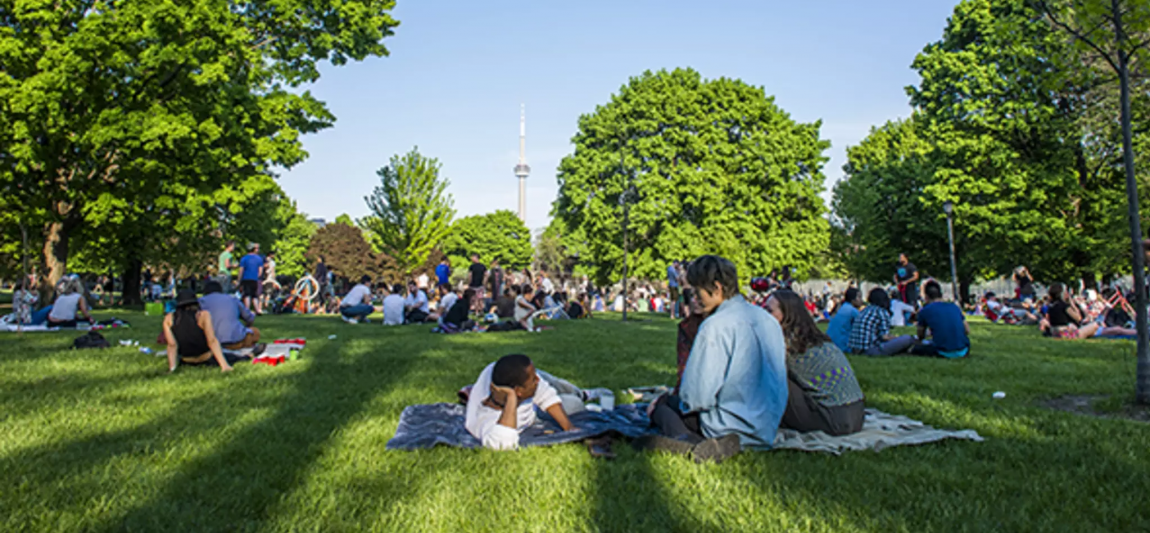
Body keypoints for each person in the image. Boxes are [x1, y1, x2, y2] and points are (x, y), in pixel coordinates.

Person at [641, 255, 787, 463]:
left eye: (697, 290)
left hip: (725, 426)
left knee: (662, 407)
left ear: (716, 288)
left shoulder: (715, 326)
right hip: (766, 427)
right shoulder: (768, 320)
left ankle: (689, 442)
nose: (695, 297)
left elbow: (696, 398)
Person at [765, 290, 865, 435]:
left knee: (766, 374)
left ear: (787, 315)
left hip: (831, 419)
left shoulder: (785, 344)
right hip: (857, 415)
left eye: (769, 311)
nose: (764, 316)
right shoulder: (818, 341)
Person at [464, 354, 577, 450]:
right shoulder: (485, 419)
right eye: (534, 379)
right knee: (575, 404)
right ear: (518, 391)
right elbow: (502, 445)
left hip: (527, 392)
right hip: (526, 403)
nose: (537, 380)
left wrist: (570, 428)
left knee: (557, 384)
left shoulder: (508, 373)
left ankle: (583, 393)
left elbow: (547, 394)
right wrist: (511, 398)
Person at [163, 289, 241, 373]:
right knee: (237, 357)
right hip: (206, 358)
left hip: (187, 361)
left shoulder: (169, 319)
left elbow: (172, 345)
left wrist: (172, 368)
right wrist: (224, 365)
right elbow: (212, 341)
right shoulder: (203, 315)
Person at [1043, 282, 1136, 339]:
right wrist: (1071, 303)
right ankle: (1141, 332)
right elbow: (1078, 318)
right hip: (1068, 335)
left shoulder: (1051, 307)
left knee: (1115, 329)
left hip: (1059, 333)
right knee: (1100, 326)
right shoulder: (1064, 306)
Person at [912, 281, 971, 357]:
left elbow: (920, 335)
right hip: (964, 349)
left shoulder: (925, 310)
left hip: (942, 350)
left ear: (926, 297)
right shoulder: (954, 307)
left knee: (916, 348)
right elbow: (967, 330)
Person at [848, 288, 915, 355]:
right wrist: (897, 338)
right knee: (907, 339)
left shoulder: (865, 310)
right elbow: (885, 337)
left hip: (856, 349)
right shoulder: (881, 312)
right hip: (870, 350)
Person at [198, 281, 260, 349]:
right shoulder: (232, 299)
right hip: (236, 340)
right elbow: (250, 318)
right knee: (255, 332)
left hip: (210, 341)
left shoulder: (200, 301)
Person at [673, 288, 705, 395]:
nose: (694, 300)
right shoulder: (686, 327)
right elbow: (683, 367)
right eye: (692, 296)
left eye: (699, 295)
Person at [826, 288, 862, 352]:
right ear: (852, 299)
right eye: (859, 297)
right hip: (842, 345)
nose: (861, 300)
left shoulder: (843, 307)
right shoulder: (853, 311)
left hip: (831, 343)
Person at [237, 243, 266, 314]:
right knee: (254, 295)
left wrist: (239, 280)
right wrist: (257, 277)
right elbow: (260, 270)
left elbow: (241, 270)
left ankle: (247, 309)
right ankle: (257, 309)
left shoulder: (244, 258)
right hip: (254, 279)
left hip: (246, 278)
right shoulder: (259, 258)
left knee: (247, 294)